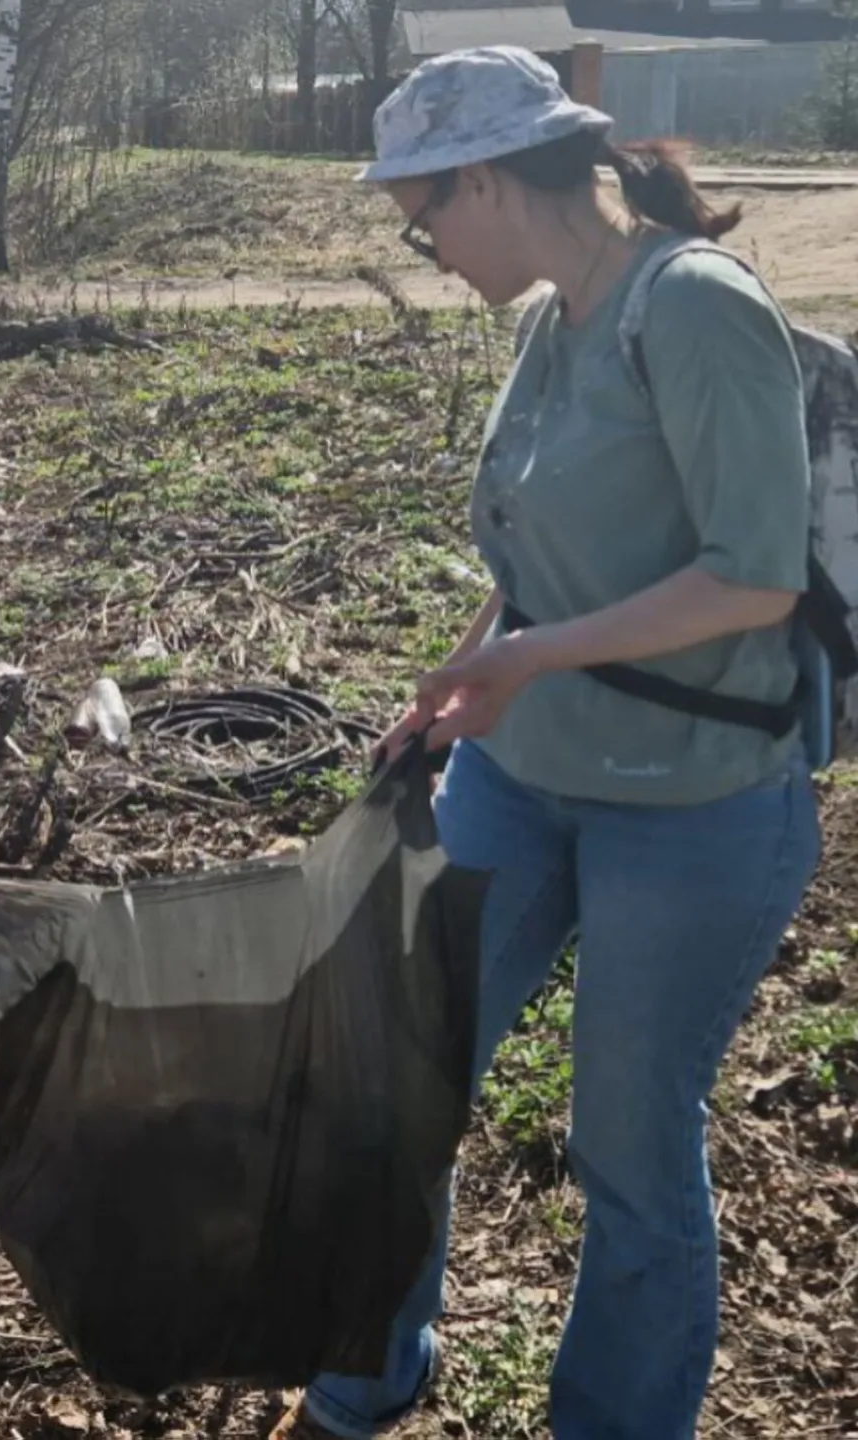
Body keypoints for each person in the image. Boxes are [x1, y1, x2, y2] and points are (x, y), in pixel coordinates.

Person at [272, 47, 821, 1440]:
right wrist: (476, 666)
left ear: (486, 180)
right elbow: (539, 554)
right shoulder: (557, 314)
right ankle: (363, 1381)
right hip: (523, 778)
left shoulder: (692, 308)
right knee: (396, 1078)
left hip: (693, 808)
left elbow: (754, 577)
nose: (426, 249)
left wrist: (528, 658)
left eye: (424, 219)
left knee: (629, 1151)